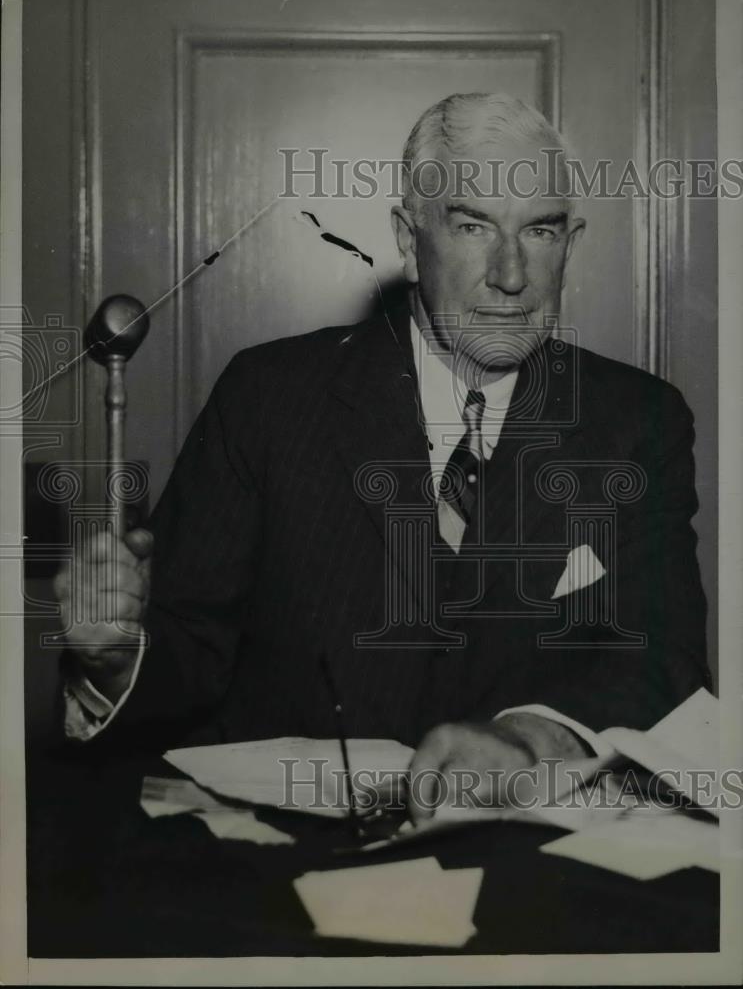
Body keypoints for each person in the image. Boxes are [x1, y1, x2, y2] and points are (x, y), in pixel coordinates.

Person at [54, 93, 710, 821]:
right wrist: (115, 660)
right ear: (407, 235)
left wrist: (532, 738)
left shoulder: (636, 420)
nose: (511, 274)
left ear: (571, 241)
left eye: (541, 232)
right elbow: (187, 646)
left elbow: (663, 660)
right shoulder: (268, 398)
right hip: (275, 870)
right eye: (471, 226)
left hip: (527, 868)